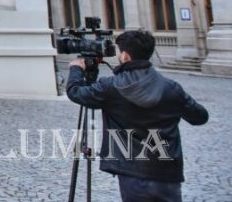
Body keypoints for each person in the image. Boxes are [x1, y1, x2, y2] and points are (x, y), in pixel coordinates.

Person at [66, 29, 209, 202]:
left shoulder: (110, 87)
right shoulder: (171, 87)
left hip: (131, 172)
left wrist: (76, 70)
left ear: (125, 56)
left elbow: (76, 92)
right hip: (167, 172)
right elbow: (200, 117)